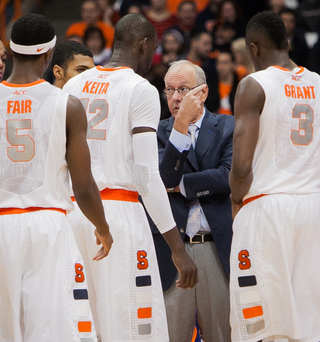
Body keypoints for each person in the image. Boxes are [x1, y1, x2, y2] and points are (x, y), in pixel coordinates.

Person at [63, 13, 198, 342]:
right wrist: (176, 249)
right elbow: (146, 175)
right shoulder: (141, 89)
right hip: (118, 214)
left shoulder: (73, 84)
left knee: (82, 324)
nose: (153, 56)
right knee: (132, 327)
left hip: (71, 214)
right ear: (143, 45)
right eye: (152, 48)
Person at [0, 13, 113, 342]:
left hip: (2, 223)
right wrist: (102, 228)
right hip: (48, 225)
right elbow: (84, 185)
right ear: (50, 55)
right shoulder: (68, 105)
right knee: (50, 331)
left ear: (10, 49)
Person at [229, 11, 320, 342]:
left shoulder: (255, 84)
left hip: (268, 206)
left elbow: (241, 166)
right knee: (310, 318)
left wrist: (237, 200)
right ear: (287, 41)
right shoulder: (318, 84)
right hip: (313, 206)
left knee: (260, 319)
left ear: (253, 48)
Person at [147, 59, 234, 341]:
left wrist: (184, 185)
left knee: (223, 334)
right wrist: (181, 123)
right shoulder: (156, 132)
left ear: (203, 92)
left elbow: (229, 177)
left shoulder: (228, 126)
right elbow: (163, 181)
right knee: (171, 335)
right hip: (172, 249)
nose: (175, 98)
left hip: (217, 248)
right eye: (169, 90)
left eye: (183, 90)